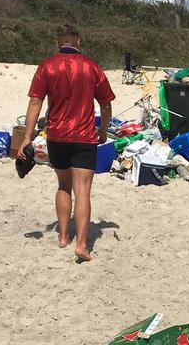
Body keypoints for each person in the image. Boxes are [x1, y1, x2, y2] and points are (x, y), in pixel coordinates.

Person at [18, 24, 115, 261]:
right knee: (83, 191)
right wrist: (103, 130)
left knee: (63, 185)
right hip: (83, 136)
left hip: (57, 136)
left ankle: (63, 237)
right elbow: (105, 104)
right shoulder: (92, 67)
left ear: (57, 43)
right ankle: (82, 245)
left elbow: (35, 103)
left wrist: (27, 138)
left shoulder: (47, 67)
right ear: (79, 42)